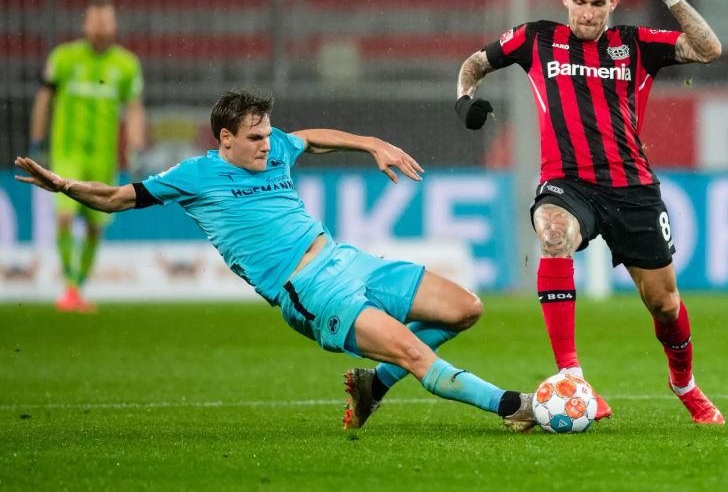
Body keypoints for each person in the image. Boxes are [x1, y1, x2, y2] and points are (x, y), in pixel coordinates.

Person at [15, 90, 536, 431]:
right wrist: (64, 186)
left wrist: (370, 143)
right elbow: (116, 198)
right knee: (414, 354)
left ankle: (373, 385)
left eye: (268, 134)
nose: (269, 145)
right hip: (308, 291)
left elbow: (310, 138)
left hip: (344, 258)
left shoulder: (278, 146)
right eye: (256, 138)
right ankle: (516, 407)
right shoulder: (194, 176)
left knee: (467, 307)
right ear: (225, 139)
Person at [454, 0, 724, 424]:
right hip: (568, 182)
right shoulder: (535, 38)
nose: (586, 13)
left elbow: (709, 49)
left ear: (613, 3)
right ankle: (572, 376)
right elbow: (474, 64)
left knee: (664, 302)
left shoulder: (634, 44)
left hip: (633, 187)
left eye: (597, 4)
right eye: (578, 2)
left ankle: (684, 382)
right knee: (553, 232)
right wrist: (463, 101)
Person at [30, 0, 145, 312]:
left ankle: (77, 288)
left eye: (106, 21)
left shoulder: (126, 65)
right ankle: (70, 287)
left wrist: (135, 146)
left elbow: (134, 110)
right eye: (96, 21)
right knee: (64, 216)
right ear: (85, 24)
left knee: (96, 225)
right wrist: (37, 139)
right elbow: (44, 98)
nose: (101, 27)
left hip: (103, 158)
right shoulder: (65, 57)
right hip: (67, 154)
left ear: (114, 26)